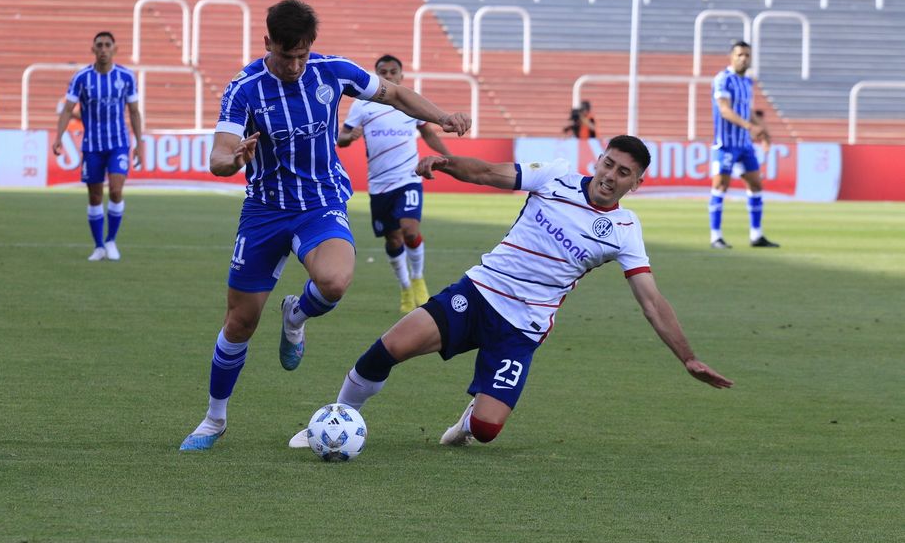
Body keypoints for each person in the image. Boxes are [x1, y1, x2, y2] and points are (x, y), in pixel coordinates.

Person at [288, 135, 733, 450]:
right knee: (387, 349)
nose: (611, 176)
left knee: (485, 431)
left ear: (635, 184)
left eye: (624, 173)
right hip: (480, 292)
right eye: (608, 164)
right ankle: (332, 421)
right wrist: (445, 163)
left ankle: (468, 420)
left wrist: (688, 357)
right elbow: (487, 172)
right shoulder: (555, 177)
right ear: (598, 160)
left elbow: (652, 302)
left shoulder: (625, 230)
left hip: (522, 329)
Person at [179, 0, 472, 451]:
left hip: (321, 201)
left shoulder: (333, 71)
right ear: (267, 43)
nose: (294, 64)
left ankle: (297, 314)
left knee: (334, 281)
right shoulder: (244, 88)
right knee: (240, 323)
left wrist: (442, 116)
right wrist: (233, 159)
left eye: (301, 54)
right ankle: (214, 419)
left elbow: (394, 94)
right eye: (285, 54)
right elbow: (219, 154)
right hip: (265, 209)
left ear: (311, 46)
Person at [338, 54, 451, 314]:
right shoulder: (362, 105)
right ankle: (404, 287)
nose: (388, 76)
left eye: (393, 72)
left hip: (408, 177)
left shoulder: (409, 103)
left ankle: (419, 278)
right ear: (377, 75)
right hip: (379, 184)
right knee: (393, 239)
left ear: (401, 76)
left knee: (410, 230)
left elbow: (428, 133)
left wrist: (449, 159)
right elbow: (342, 137)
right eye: (383, 72)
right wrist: (348, 136)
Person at [52, 31, 143, 262]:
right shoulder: (81, 78)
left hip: (118, 144)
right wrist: (58, 137)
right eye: (99, 45)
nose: (103, 49)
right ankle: (99, 246)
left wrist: (139, 144)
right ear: (93, 49)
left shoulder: (126, 77)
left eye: (107, 45)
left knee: (115, 190)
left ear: (115, 49)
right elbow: (66, 109)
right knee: (94, 197)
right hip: (92, 145)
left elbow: (134, 111)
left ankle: (111, 240)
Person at [709, 41, 778, 249]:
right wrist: (750, 127)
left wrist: (763, 131)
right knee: (720, 186)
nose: (743, 59)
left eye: (747, 55)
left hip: (745, 145)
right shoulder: (723, 79)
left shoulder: (748, 82)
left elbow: (746, 109)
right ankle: (716, 237)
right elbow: (725, 110)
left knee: (756, 184)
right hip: (726, 144)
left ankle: (756, 235)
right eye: (739, 55)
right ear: (731, 57)